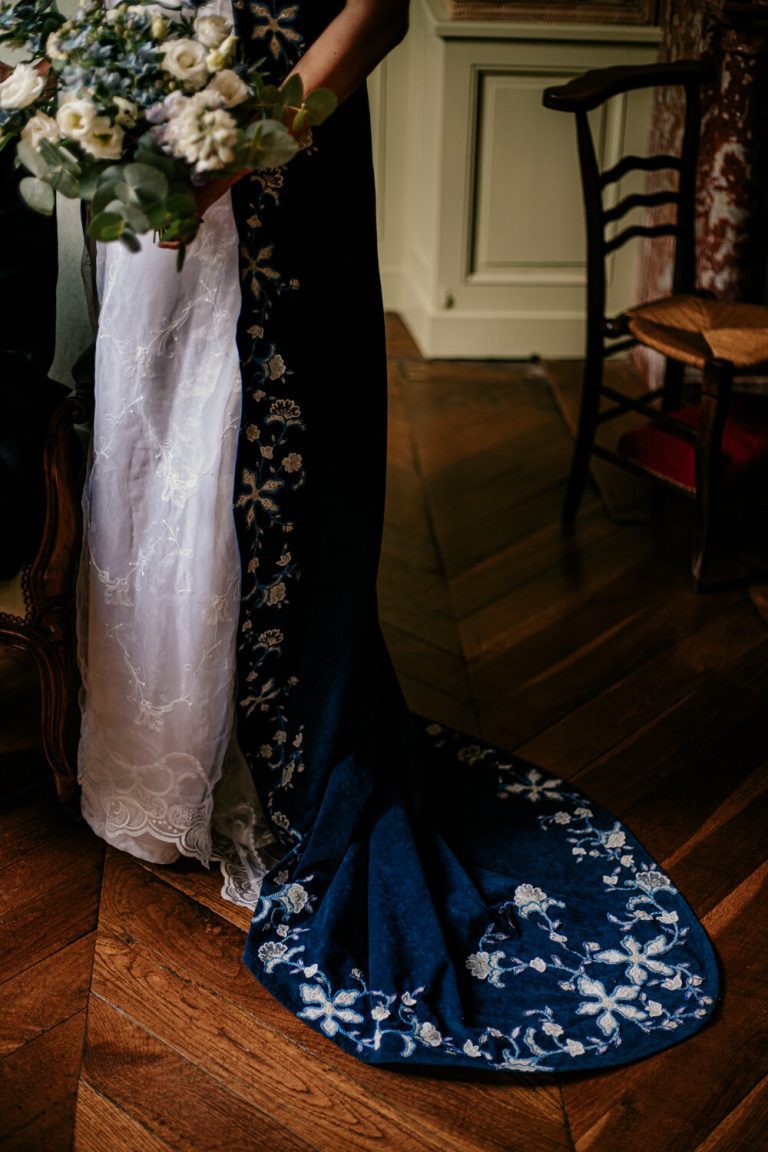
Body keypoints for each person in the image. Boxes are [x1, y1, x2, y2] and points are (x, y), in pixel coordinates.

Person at [77, 0, 719, 1072]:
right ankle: (170, 748)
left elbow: (376, 10)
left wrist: (242, 151)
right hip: (152, 151)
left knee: (284, 471)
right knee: (160, 459)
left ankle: (281, 751)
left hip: (285, 153)